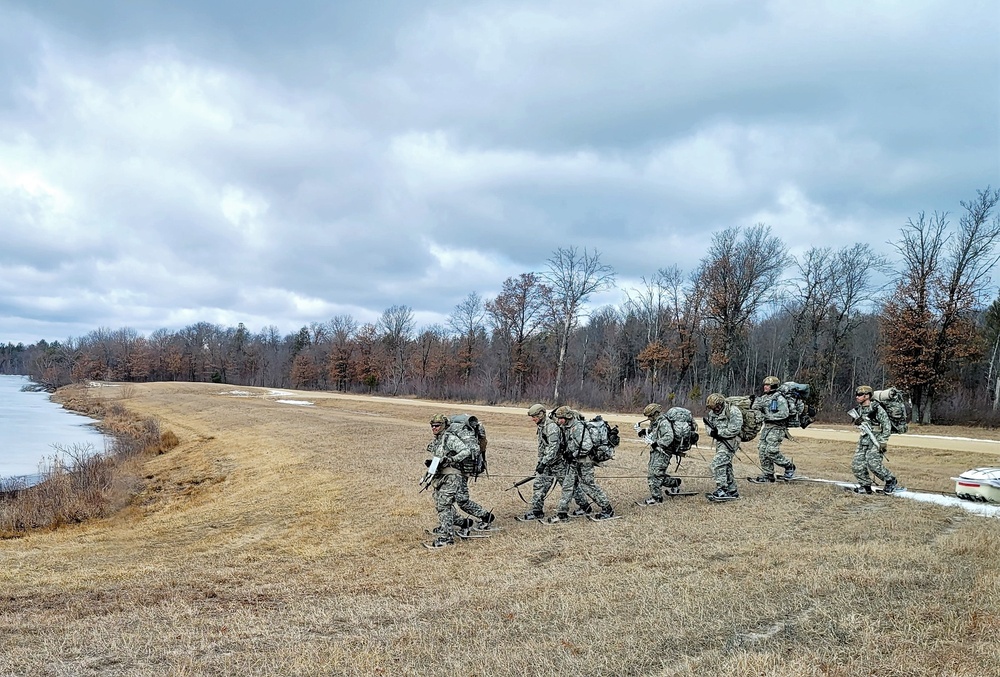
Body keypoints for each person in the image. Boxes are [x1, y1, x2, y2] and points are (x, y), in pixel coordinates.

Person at [424, 414, 494, 548]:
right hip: (442, 476)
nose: (434, 428)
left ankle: (447, 537)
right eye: (432, 425)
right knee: (441, 502)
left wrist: (452, 460)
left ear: (443, 425)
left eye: (437, 425)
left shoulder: (450, 438)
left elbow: (466, 451)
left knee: (445, 504)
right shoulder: (439, 439)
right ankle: (460, 523)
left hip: (453, 476)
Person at [521, 404, 593, 520]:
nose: (532, 419)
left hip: (558, 463)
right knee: (539, 485)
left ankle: (585, 506)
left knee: (570, 487)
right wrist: (542, 462)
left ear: (541, 415)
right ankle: (537, 511)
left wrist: (543, 462)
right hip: (546, 462)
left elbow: (553, 448)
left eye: (534, 416)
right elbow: (543, 446)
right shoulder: (541, 426)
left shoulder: (551, 427)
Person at [546, 406, 615, 523]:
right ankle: (562, 513)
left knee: (588, 486)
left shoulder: (577, 427)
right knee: (567, 486)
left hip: (585, 462)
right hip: (573, 462)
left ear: (567, 417)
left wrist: (573, 454)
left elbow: (587, 446)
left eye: (561, 418)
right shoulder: (566, 427)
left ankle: (607, 509)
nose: (559, 420)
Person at [850, 385, 899, 494]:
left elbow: (887, 426)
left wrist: (882, 441)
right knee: (857, 464)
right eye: (856, 395)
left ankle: (891, 480)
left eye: (860, 395)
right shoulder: (860, 409)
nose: (857, 397)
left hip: (876, 439)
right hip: (864, 439)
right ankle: (865, 486)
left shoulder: (876, 408)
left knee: (873, 464)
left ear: (867, 396)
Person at [749, 376, 796, 483]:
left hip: (777, 428)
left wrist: (767, 416)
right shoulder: (765, 397)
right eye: (765, 385)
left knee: (771, 451)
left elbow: (784, 413)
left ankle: (789, 466)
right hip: (767, 428)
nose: (765, 387)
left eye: (768, 385)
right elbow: (756, 408)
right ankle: (768, 474)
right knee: (762, 450)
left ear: (773, 386)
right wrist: (753, 402)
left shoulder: (779, 398)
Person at [635, 403, 683, 504]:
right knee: (655, 473)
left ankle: (656, 498)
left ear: (656, 413)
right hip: (656, 451)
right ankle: (675, 483)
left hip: (663, 451)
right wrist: (643, 432)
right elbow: (654, 432)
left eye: (650, 415)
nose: (649, 418)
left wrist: (657, 443)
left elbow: (669, 436)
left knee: (655, 474)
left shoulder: (663, 422)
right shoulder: (655, 422)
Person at [704, 393, 742, 502]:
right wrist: (712, 433)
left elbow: (735, 429)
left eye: (715, 407)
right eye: (711, 408)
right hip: (720, 442)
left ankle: (722, 489)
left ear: (720, 404)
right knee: (726, 465)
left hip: (731, 440)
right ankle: (732, 490)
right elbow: (708, 426)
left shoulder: (733, 411)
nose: (714, 409)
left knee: (717, 463)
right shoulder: (712, 413)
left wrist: (719, 433)